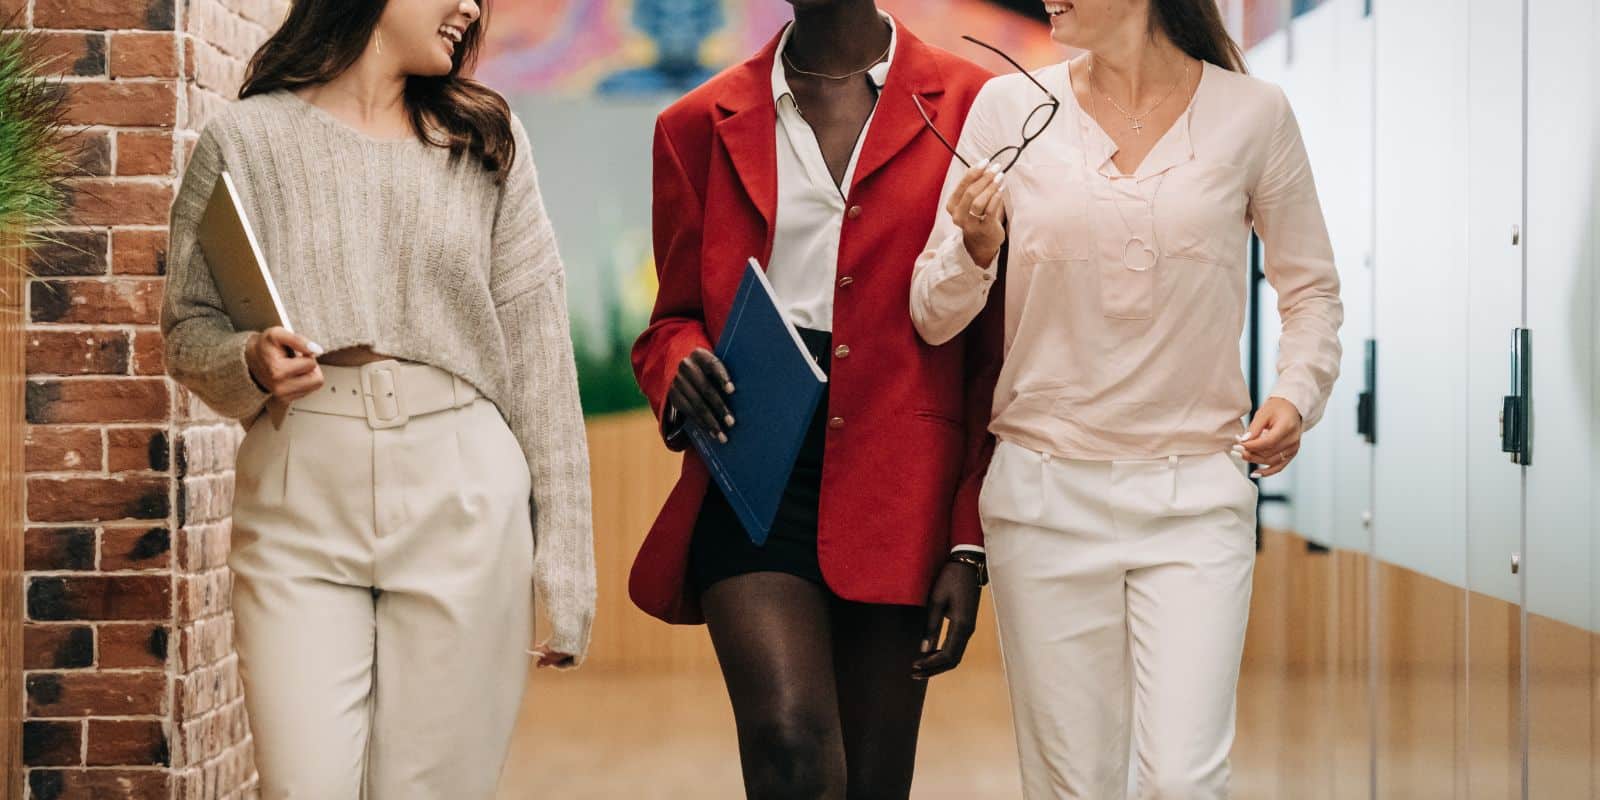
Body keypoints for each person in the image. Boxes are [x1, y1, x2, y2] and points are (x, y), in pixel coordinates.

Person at [910, 0, 1344, 796]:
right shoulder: (1010, 109)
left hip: (1196, 502)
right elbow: (932, 315)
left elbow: (1310, 292)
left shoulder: (1254, 113)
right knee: (1073, 784)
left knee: (1185, 782)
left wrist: (1297, 391)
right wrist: (974, 247)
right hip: (1043, 502)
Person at [161, 1, 595, 795]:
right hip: (299, 494)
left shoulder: (484, 140)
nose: (470, 7)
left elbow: (539, 357)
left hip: (463, 488)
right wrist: (248, 360)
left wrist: (565, 566)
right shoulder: (247, 140)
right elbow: (187, 329)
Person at [628, 1, 1001, 796]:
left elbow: (994, 349)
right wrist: (680, 360)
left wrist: (968, 541)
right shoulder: (695, 122)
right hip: (752, 459)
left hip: (903, 476)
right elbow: (670, 318)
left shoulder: (976, 103)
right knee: (787, 744)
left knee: (872, 782)